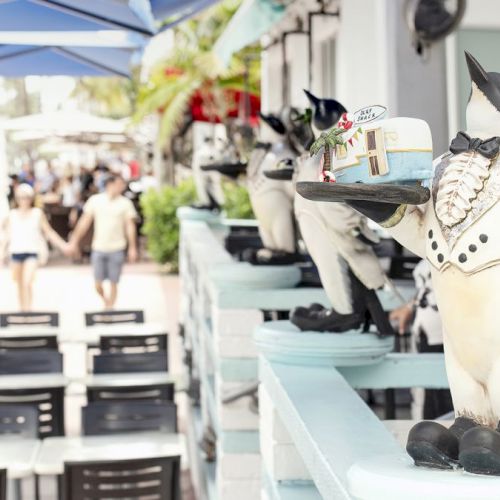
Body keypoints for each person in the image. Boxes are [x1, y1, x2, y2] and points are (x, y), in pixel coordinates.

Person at [389, 260, 453, 419]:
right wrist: (410, 307)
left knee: (448, 404)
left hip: (451, 338)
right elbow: (428, 287)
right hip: (427, 335)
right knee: (428, 399)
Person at [68, 174, 138, 309]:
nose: (122, 187)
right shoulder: (95, 201)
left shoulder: (125, 203)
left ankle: (110, 309)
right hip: (99, 247)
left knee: (114, 282)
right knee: (97, 283)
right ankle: (106, 302)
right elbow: (84, 222)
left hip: (117, 247)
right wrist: (74, 240)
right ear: (110, 184)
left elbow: (130, 226)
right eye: (119, 184)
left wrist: (132, 247)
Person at [1, 184, 69, 311]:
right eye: (21, 197)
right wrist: (1, 253)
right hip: (16, 252)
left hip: (32, 251)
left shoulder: (37, 213)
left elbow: (49, 232)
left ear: (31, 198)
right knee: (19, 284)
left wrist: (63, 246)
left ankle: (28, 309)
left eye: (26, 197)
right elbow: (6, 236)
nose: (24, 200)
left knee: (27, 281)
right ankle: (22, 310)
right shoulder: (12, 215)